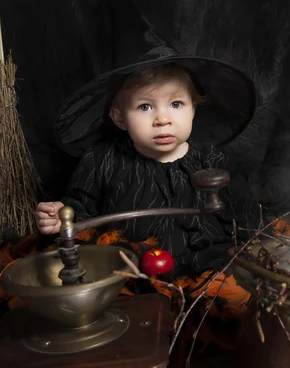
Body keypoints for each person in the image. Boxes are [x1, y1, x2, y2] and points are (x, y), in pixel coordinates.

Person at [35, 46, 262, 275]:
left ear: (193, 108)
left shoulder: (214, 162)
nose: (162, 119)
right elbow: (80, 212)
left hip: (207, 271)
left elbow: (244, 221)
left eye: (176, 104)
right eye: (145, 106)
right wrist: (60, 217)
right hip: (127, 269)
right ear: (119, 117)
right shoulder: (101, 160)